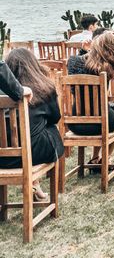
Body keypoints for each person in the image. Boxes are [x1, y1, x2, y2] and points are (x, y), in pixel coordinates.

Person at [2, 49, 64, 201]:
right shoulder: (43, 88)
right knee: (49, 129)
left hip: (2, 157)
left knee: (33, 131)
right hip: (30, 155)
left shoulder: (3, 90)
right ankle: (35, 185)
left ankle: (35, 185)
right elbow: (55, 117)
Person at [66, 32, 114, 167]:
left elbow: (81, 62)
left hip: (76, 123)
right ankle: (104, 159)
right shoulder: (107, 66)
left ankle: (95, 157)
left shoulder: (72, 62)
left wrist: (84, 50)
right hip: (102, 122)